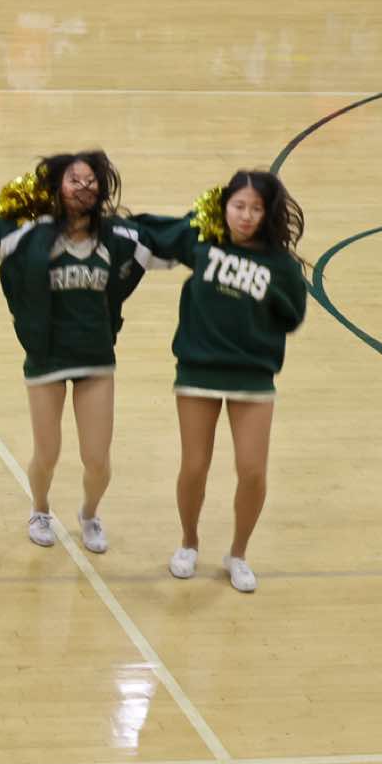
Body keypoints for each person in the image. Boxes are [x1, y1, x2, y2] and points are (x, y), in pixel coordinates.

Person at [0, 153, 161, 553]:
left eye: (90, 181)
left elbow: (169, 238)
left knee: (98, 460)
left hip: (95, 358)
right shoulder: (28, 235)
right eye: (74, 180)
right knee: (47, 453)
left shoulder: (117, 236)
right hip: (47, 358)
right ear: (57, 187)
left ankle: (89, 514)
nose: (83, 188)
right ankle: (40, 510)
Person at [133, 171, 307, 593]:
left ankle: (238, 554)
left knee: (253, 471)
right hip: (199, 370)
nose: (246, 216)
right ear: (223, 207)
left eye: (256, 208)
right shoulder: (201, 241)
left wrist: (260, 301)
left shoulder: (282, 265)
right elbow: (153, 231)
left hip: (253, 376)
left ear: (268, 214)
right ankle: (188, 542)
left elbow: (293, 315)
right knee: (194, 466)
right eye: (238, 206)